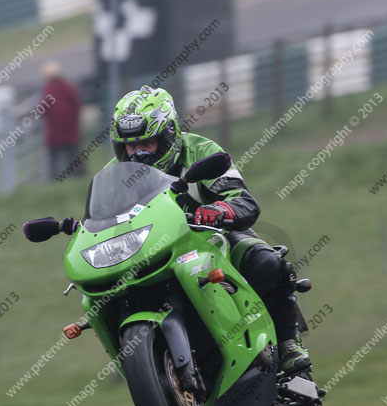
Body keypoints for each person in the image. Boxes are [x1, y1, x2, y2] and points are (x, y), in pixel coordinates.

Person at [107, 85, 311, 374]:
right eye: (130, 146)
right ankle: (141, 357)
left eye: (146, 144)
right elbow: (104, 222)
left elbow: (243, 201)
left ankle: (289, 341)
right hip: (150, 255)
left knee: (266, 262)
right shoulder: (115, 176)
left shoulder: (201, 151)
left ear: (168, 136)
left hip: (211, 241)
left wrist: (220, 210)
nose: (137, 154)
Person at [41, 61, 82, 181]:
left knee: (53, 158)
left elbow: (44, 110)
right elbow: (76, 106)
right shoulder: (68, 87)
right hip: (70, 129)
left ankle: (53, 179)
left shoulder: (48, 90)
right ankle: (74, 177)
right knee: (71, 156)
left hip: (54, 131)